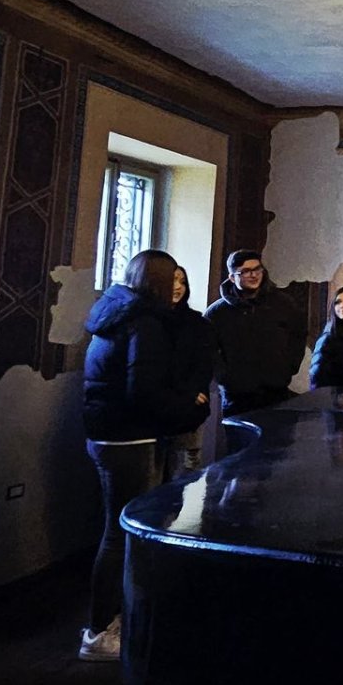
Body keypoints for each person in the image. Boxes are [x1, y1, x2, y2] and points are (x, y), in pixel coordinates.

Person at [82, 249, 209, 662]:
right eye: (171, 277)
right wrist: (188, 407)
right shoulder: (144, 322)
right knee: (123, 533)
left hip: (109, 434)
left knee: (118, 531)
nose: (176, 286)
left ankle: (118, 620)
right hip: (130, 438)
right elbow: (144, 392)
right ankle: (102, 629)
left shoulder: (116, 313)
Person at [204, 249, 306, 416]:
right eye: (245, 271)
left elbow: (298, 335)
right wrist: (226, 378)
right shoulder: (216, 313)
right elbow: (208, 350)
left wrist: (289, 367)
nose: (253, 275)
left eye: (257, 269)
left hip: (276, 391)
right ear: (232, 277)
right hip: (237, 397)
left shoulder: (284, 304)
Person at [164, 262, 217, 478]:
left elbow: (205, 362)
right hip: (162, 407)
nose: (178, 287)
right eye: (172, 281)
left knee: (189, 472)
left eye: (182, 282)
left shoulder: (197, 322)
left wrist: (196, 390)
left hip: (192, 406)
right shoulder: (150, 323)